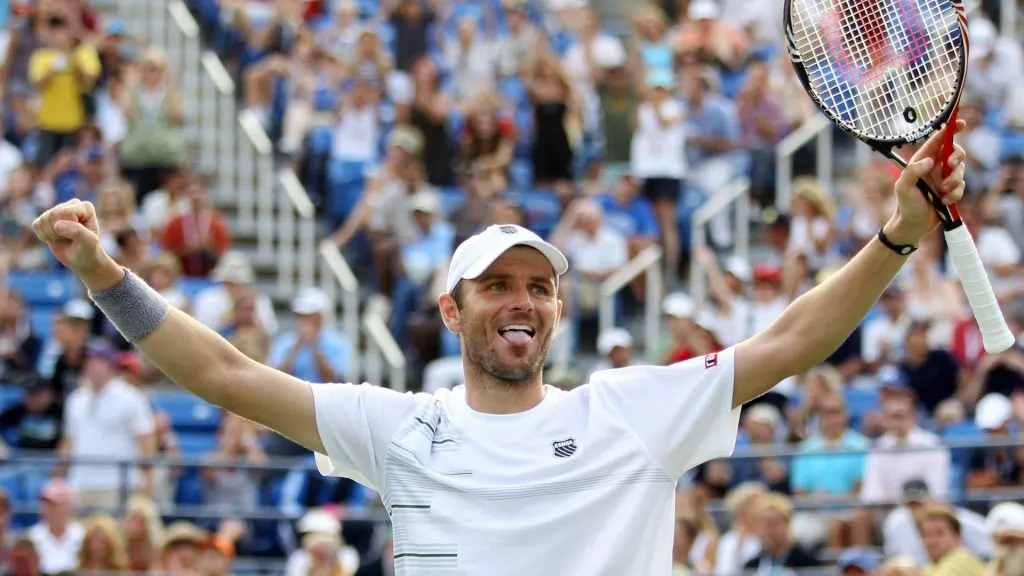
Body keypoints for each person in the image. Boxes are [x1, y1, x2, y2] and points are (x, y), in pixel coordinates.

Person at [30, 124, 969, 574]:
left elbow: (796, 338)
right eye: (497, 285)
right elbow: (223, 374)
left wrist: (894, 238)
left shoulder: (632, 410)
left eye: (538, 287)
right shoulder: (397, 427)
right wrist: (106, 277)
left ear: (557, 310)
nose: (521, 302)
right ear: (451, 309)